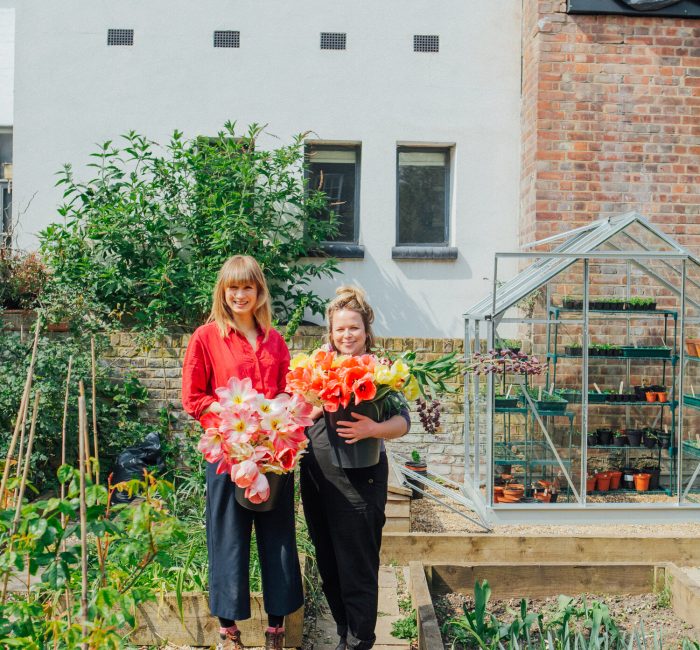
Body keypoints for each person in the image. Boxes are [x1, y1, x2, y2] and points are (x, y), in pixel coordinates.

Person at [181, 255, 302, 650]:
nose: (239, 294)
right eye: (232, 287)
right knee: (228, 540)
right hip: (227, 456)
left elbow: (287, 395)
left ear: (259, 291)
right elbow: (193, 398)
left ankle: (276, 629)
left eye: (247, 286)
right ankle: (229, 630)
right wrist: (234, 414)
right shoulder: (205, 337)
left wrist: (273, 425)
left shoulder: (275, 340)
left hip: (273, 457)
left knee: (278, 539)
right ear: (223, 292)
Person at [300, 286, 411, 650]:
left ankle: (361, 639)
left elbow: (403, 421)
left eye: (353, 328)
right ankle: (344, 634)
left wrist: (373, 429)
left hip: (360, 479)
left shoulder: (381, 372)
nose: (346, 335)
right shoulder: (318, 369)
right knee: (328, 560)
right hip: (317, 480)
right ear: (330, 333)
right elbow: (297, 415)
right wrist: (312, 407)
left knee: (357, 564)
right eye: (339, 329)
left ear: (366, 331)